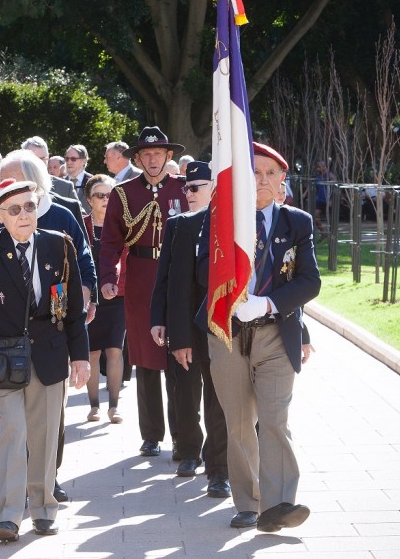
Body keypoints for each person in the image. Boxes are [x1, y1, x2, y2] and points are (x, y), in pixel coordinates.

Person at [0, 178, 90, 543]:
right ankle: (9, 514)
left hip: (51, 354)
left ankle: (43, 508)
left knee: (43, 437)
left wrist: (82, 357)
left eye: (30, 206)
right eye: (14, 210)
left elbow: (71, 308)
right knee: (14, 432)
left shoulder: (59, 245)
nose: (24, 215)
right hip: (4, 357)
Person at [198, 142, 320, 533]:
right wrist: (233, 294)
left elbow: (308, 282)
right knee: (238, 423)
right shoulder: (219, 220)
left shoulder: (296, 222)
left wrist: (268, 304)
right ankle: (248, 502)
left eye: (270, 173)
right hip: (228, 333)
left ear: (282, 180)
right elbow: (203, 271)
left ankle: (280, 503)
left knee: (273, 419)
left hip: (273, 333)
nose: (262, 180)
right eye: (254, 172)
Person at [0, 149, 96, 502]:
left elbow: (85, 257)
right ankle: (15, 490)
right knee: (13, 420)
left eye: (15, 180)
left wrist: (84, 293)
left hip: (52, 330)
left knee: (49, 419)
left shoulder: (62, 213)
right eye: (2, 181)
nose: (7, 187)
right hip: (8, 338)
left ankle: (47, 478)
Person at [99, 126, 185, 459]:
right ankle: (151, 435)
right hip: (140, 278)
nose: (152, 159)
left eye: (158, 154)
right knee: (146, 359)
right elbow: (110, 241)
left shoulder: (182, 189)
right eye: (146, 154)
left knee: (180, 356)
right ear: (138, 158)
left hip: (177, 278)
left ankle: (182, 434)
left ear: (169, 156)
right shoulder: (124, 193)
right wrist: (108, 276)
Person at [150, 161, 229, 497]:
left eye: (197, 187)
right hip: (185, 324)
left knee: (218, 398)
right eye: (186, 187)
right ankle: (189, 449)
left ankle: (219, 469)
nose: (189, 193)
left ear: (215, 188)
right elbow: (165, 279)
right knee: (185, 390)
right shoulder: (178, 225)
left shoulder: (231, 225)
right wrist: (160, 320)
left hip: (218, 324)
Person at [83, 174, 124, 424]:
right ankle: (94, 405)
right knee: (92, 353)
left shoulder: (121, 224)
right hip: (90, 296)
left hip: (117, 294)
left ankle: (114, 406)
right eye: (100, 195)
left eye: (110, 195)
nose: (106, 200)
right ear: (90, 200)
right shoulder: (81, 225)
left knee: (115, 350)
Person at [22, 137, 77, 201]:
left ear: (48, 158)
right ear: (23, 158)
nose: (38, 162)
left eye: (42, 158)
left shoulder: (66, 187)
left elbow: (77, 210)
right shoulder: (14, 185)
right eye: (34, 158)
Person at [64, 144, 93, 213]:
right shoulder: (60, 183)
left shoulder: (94, 182)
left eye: (73, 159)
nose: (69, 162)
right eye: (67, 159)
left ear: (84, 161)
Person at [313, 160, 336, 239]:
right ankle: (323, 232)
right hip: (319, 199)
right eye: (317, 167)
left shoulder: (328, 175)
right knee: (315, 216)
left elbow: (335, 184)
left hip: (327, 199)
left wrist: (331, 199)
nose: (318, 169)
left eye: (319, 167)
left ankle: (331, 235)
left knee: (330, 218)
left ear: (324, 167)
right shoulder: (317, 176)